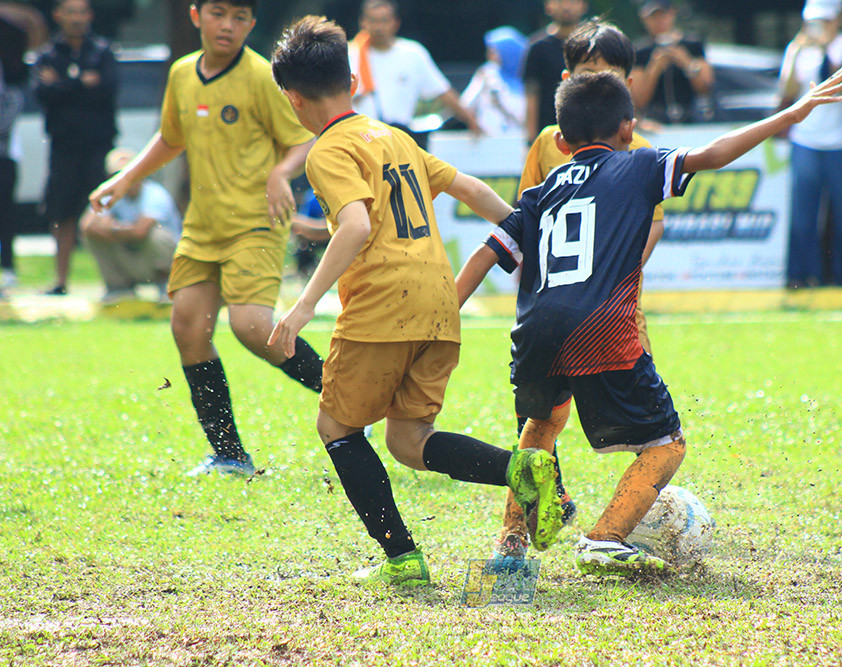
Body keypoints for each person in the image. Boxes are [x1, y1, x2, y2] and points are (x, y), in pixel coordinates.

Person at [455, 69, 842, 576]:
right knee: (667, 444)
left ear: (558, 139)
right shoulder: (639, 166)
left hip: (532, 334)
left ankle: (510, 544)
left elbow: (487, 255)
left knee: (541, 425)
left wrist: (444, 314)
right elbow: (714, 153)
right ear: (628, 129)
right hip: (600, 333)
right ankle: (605, 537)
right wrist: (791, 115)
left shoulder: (542, 190)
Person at [267, 15, 564, 586]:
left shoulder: (325, 151)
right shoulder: (395, 136)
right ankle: (522, 468)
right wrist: (528, 237)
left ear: (292, 100)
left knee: (336, 428)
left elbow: (354, 226)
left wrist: (302, 306)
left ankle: (403, 561)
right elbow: (470, 188)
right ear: (352, 82)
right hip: (439, 304)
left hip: (382, 305)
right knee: (408, 440)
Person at [89, 0, 326, 477]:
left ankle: (347, 392)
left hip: (255, 222)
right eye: (219, 13)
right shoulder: (181, 73)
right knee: (187, 328)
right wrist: (124, 180)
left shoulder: (261, 75)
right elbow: (171, 137)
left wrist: (281, 173)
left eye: (240, 17)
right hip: (202, 226)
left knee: (252, 327)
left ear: (252, 25)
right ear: (196, 16)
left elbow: (305, 138)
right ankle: (230, 455)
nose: (229, 25)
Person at [496, 19, 667, 563]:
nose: (598, 81)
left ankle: (523, 532)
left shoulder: (636, 150)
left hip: (604, 304)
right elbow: (523, 210)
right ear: (568, 79)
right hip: (568, 303)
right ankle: (583, 520)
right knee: (564, 420)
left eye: (609, 73)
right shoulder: (550, 146)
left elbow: (651, 224)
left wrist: (613, 273)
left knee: (556, 414)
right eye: (589, 73)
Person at [779, 0, 842, 288]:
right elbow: (787, 91)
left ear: (838, 19)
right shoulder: (800, 48)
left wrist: (827, 48)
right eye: (815, 21)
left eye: (825, 20)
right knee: (803, 214)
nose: (819, 27)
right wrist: (795, 53)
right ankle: (800, 275)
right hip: (806, 140)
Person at [34, 0, 118, 296]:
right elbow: (43, 93)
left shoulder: (103, 51)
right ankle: (61, 281)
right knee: (62, 213)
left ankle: (113, 280)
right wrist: (82, 83)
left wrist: (64, 86)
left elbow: (106, 90)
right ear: (58, 15)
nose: (77, 18)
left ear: (90, 15)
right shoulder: (47, 54)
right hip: (63, 147)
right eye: (71, 12)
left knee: (103, 210)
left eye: (82, 12)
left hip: (98, 145)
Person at [349, 0, 480, 149]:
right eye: (373, 21)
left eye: (384, 21)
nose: (379, 27)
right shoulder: (350, 54)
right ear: (363, 22)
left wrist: (471, 121)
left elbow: (443, 91)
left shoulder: (413, 53)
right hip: (359, 141)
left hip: (398, 140)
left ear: (395, 23)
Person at [80, 147, 181, 302]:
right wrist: (121, 231)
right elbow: (86, 226)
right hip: (131, 256)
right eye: (117, 175)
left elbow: (141, 231)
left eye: (127, 173)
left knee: (156, 235)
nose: (123, 179)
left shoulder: (155, 193)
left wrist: (111, 228)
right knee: (92, 236)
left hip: (160, 261)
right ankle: (119, 287)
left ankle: (166, 284)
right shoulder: (109, 196)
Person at [0, 2, 46, 293]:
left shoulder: (9, 68)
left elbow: (13, 103)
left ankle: (7, 269)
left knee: (5, 211)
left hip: (4, 153)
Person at [631, 0, 715, 126]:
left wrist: (687, 63)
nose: (659, 21)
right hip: (656, 121)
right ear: (644, 19)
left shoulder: (692, 44)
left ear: (672, 14)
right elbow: (638, 100)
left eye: (662, 15)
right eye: (653, 17)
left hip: (690, 118)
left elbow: (706, 87)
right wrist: (654, 69)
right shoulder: (640, 51)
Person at [522, 0, 588, 140]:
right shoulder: (538, 47)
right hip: (549, 135)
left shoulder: (593, 46)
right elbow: (531, 95)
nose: (566, 6)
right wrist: (531, 140)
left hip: (589, 135)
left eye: (572, 2)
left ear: (583, 5)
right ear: (548, 6)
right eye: (559, 2)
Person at [459, 26, 528, 137]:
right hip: (489, 144)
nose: (489, 56)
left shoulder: (530, 77)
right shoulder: (487, 73)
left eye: (494, 52)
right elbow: (465, 104)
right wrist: (474, 124)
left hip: (520, 144)